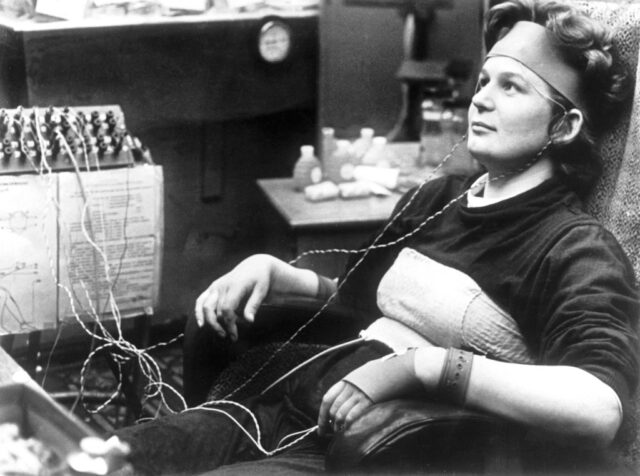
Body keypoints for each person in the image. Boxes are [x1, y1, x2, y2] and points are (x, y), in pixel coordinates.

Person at [115, 0, 639, 474]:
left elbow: (599, 408)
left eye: (512, 87)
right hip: (282, 407)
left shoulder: (574, 248)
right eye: (484, 81)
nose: (481, 101)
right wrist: (277, 274)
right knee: (103, 460)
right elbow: (355, 303)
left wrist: (424, 367)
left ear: (564, 126)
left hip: (366, 453)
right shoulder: (437, 198)